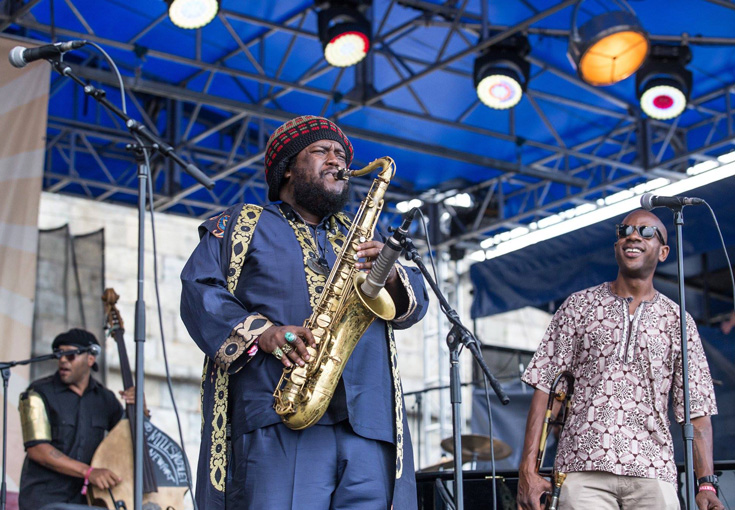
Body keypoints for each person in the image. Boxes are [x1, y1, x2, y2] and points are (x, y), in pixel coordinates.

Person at [180, 115, 428, 510]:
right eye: (320, 151)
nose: (336, 160)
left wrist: (391, 270)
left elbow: (413, 307)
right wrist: (263, 333)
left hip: (368, 424)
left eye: (341, 154)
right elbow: (199, 289)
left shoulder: (363, 237)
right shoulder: (244, 223)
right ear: (287, 169)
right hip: (280, 415)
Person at [517, 209, 724, 510]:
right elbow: (546, 389)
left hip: (653, 471)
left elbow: (697, 410)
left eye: (646, 232)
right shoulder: (578, 306)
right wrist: (528, 470)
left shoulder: (678, 321)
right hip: (582, 468)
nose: (633, 236)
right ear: (616, 246)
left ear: (664, 252)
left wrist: (705, 484)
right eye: (625, 231)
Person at [18, 328, 144, 510]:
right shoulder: (38, 392)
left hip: (88, 500)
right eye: (59, 354)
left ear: (90, 359)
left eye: (70, 355)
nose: (63, 360)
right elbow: (37, 450)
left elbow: (128, 438)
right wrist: (88, 472)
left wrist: (140, 409)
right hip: (44, 499)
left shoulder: (105, 399)